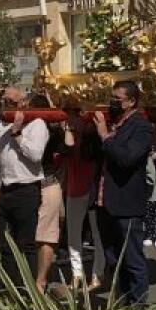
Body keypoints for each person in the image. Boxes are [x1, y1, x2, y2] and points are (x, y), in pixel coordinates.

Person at [0, 86, 48, 287]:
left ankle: (27, 291)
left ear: (23, 103)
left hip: (27, 189)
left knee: (25, 244)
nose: (6, 106)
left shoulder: (37, 124)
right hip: (7, 190)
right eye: (4, 101)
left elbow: (35, 155)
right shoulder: (1, 127)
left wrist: (17, 134)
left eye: (11, 102)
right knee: (4, 244)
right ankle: (10, 290)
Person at [91, 80, 153, 305]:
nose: (113, 103)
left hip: (126, 206)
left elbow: (127, 159)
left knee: (133, 261)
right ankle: (121, 305)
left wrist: (105, 136)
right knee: (114, 261)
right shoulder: (114, 123)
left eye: (118, 99)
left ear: (131, 101)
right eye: (112, 98)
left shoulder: (141, 126)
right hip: (105, 204)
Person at [62, 116, 104, 290]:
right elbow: (67, 150)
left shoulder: (97, 135)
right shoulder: (68, 134)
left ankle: (97, 274)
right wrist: (67, 130)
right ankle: (77, 274)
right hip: (75, 188)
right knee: (73, 234)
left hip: (94, 190)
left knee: (98, 234)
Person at [33, 105, 67, 292]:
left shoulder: (54, 133)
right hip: (25, 186)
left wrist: (65, 126)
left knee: (46, 235)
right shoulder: (19, 128)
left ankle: (41, 280)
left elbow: (68, 148)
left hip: (47, 183)